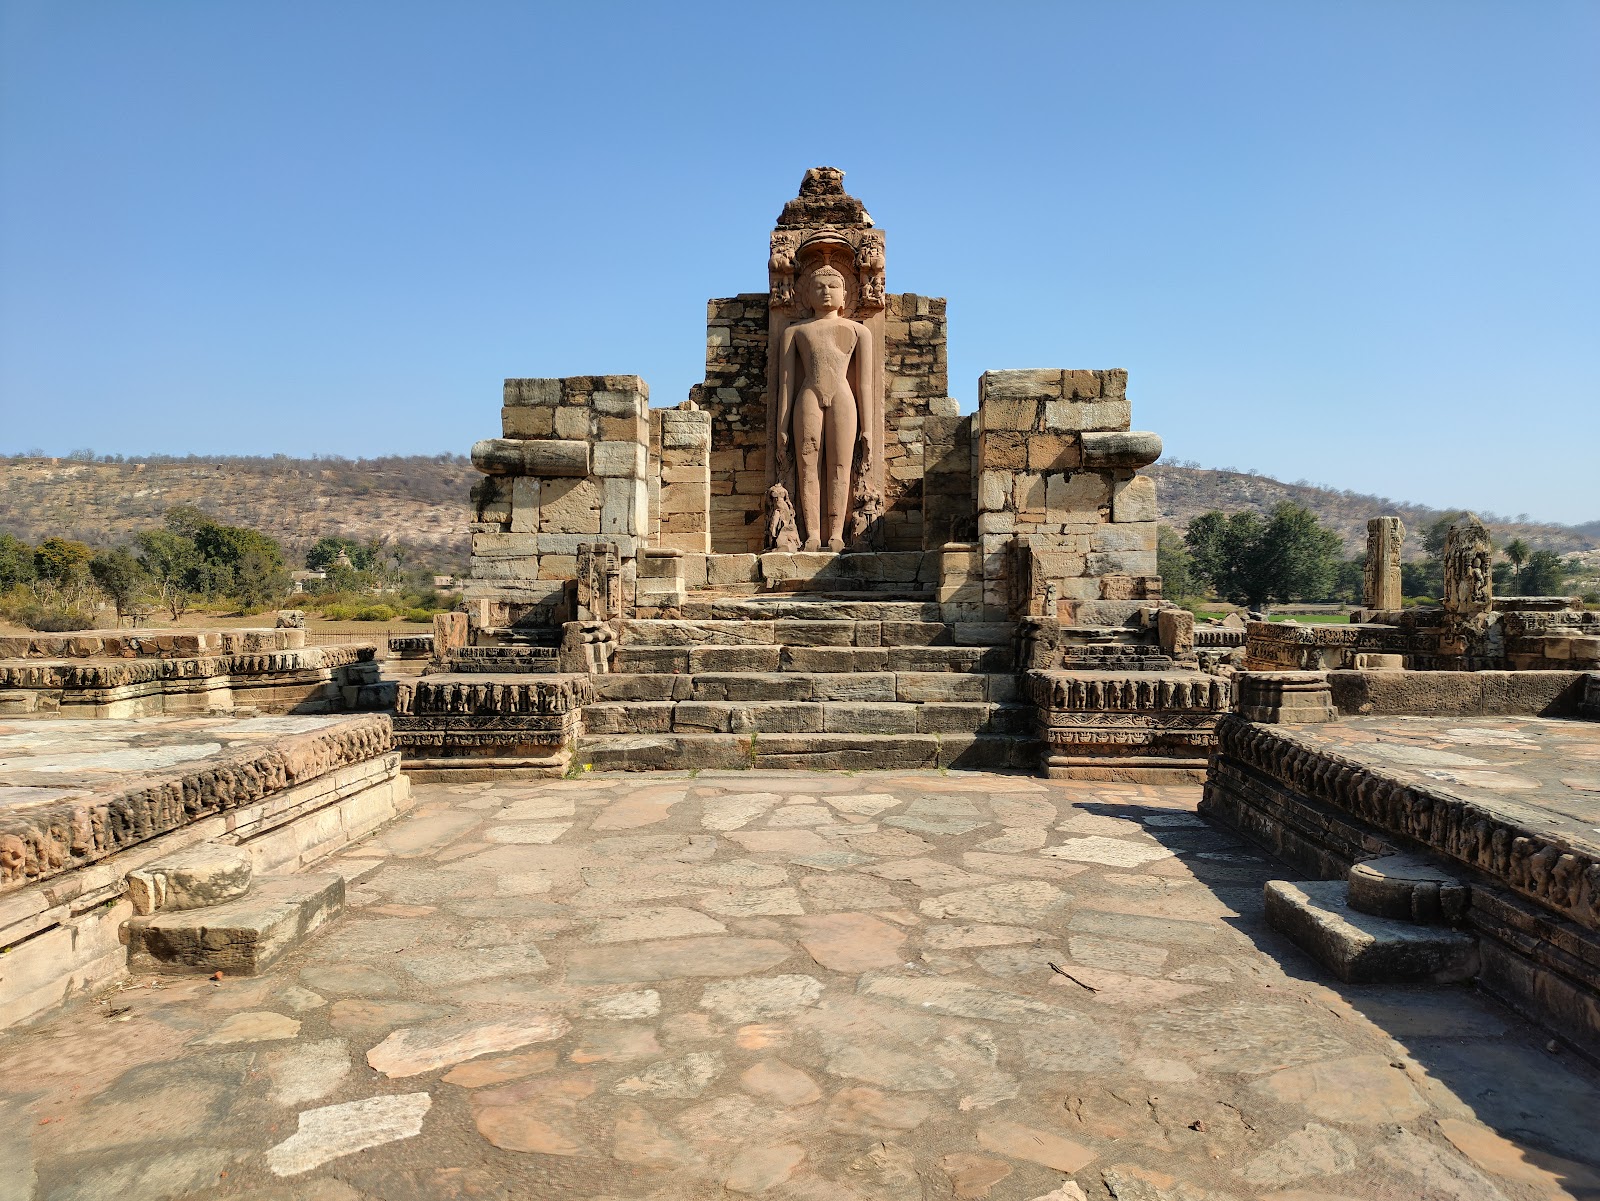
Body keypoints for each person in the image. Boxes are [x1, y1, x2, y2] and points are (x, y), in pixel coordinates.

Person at [774, 266, 873, 551]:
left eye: (832, 286)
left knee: (841, 466)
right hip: (808, 395)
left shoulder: (858, 331)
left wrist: (868, 428)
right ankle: (812, 534)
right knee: (808, 465)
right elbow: (786, 383)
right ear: (806, 294)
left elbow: (864, 385)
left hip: (843, 395)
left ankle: (837, 534)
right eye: (818, 286)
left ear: (845, 295)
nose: (826, 291)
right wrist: (782, 427)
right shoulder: (795, 331)